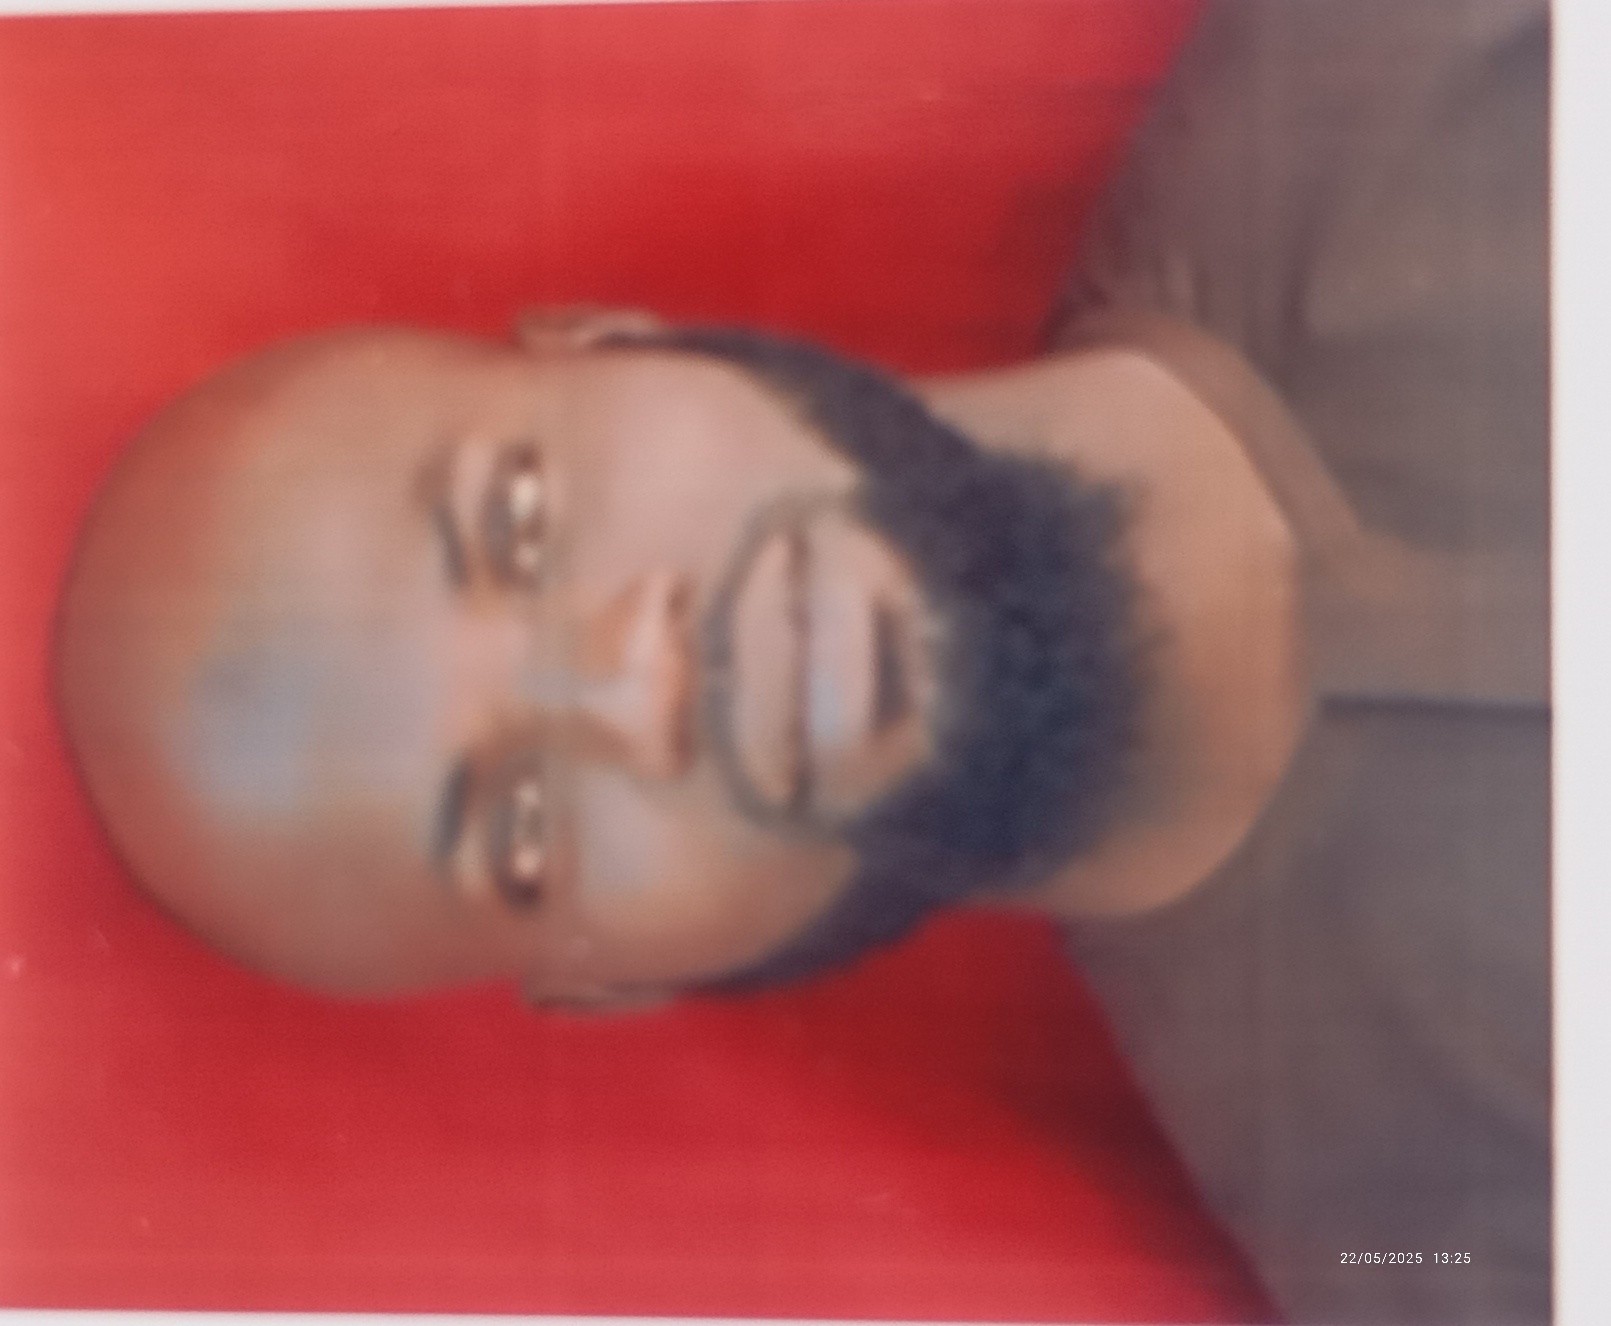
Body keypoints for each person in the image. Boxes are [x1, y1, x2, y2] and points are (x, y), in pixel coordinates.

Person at [51, 0, 1549, 1321]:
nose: (631, 687)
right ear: (627, 982)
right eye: (524, 830)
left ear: (617, 338)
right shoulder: (1431, 1247)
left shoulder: (1413, 49)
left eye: (519, 521)